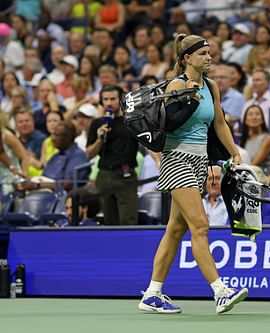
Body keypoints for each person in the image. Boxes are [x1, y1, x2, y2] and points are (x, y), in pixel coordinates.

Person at [138, 34, 248, 315]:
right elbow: (170, 125)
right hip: (177, 160)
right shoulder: (175, 85)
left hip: (198, 162)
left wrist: (234, 151)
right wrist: (187, 97)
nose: (208, 58)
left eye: (210, 53)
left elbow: (220, 123)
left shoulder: (212, 86)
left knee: (175, 230)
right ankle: (220, 291)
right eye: (202, 54)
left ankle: (152, 293)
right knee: (200, 226)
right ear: (187, 58)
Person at [86, 84, 139, 226]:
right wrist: (99, 139)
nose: (109, 103)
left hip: (125, 175)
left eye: (113, 99)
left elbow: (147, 144)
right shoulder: (97, 124)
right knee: (109, 222)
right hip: (104, 175)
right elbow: (89, 154)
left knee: (128, 221)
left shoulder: (132, 121)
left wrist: (158, 161)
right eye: (105, 99)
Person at [239, 105, 270, 174]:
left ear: (262, 119)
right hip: (249, 174)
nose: (254, 117)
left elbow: (255, 163)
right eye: (250, 114)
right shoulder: (243, 140)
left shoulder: (268, 139)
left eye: (257, 114)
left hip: (264, 175)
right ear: (245, 120)